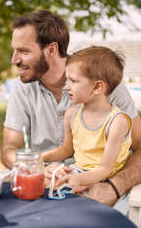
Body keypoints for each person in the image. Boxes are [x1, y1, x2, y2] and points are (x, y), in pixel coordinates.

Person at [1, 10, 141, 209]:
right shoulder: (21, 89)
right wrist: (37, 167)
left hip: (98, 189)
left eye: (23, 51)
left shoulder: (105, 85)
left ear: (51, 49)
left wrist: (113, 188)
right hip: (46, 189)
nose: (14, 60)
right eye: (14, 51)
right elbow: (9, 149)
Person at [41, 46, 132, 195]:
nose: (66, 87)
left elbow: (104, 169)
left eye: (73, 81)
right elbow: (67, 149)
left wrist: (78, 179)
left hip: (104, 178)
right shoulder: (72, 114)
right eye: (66, 80)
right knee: (43, 180)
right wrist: (42, 158)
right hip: (78, 172)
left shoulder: (117, 122)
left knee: (71, 192)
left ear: (97, 87)